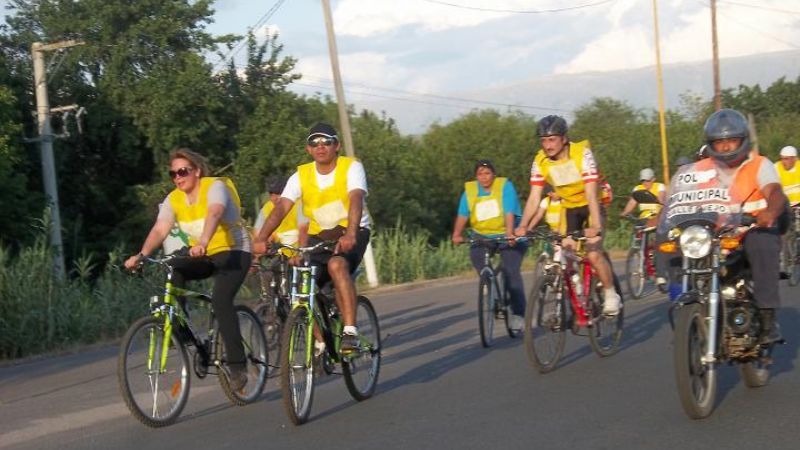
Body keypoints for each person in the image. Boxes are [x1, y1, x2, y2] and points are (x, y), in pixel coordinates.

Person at [124, 148, 252, 390]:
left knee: (221, 300)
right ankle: (182, 332)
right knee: (174, 268)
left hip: (234, 251)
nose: (178, 177)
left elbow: (215, 212)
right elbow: (160, 229)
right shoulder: (174, 199)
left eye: (183, 171)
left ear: (197, 171)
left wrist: (203, 241)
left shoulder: (214, 187)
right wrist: (141, 255)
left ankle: (238, 367)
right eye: (173, 174)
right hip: (203, 253)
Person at [254, 123, 371, 353]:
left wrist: (350, 233)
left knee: (338, 264)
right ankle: (320, 341)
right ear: (308, 149)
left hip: (352, 231)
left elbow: (356, 199)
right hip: (319, 236)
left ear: (336, 146)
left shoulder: (351, 167)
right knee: (300, 282)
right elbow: (281, 207)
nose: (320, 147)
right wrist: (261, 237)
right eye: (314, 143)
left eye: (326, 141)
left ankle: (350, 332)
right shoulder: (301, 175)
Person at [672, 109, 786, 343]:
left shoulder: (759, 164)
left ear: (743, 140)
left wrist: (770, 211)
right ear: (710, 144)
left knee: (762, 246)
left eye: (731, 140)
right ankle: (685, 319)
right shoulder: (700, 169)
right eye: (719, 142)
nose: (725, 147)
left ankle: (766, 320)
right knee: (675, 253)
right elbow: (680, 198)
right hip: (714, 234)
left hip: (751, 229)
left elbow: (774, 192)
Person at [514, 115, 621, 315]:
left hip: (591, 205)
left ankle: (610, 292)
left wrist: (596, 227)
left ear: (564, 139)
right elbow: (534, 197)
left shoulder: (582, 154)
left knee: (593, 252)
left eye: (552, 139)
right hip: (570, 208)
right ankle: (578, 291)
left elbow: (590, 192)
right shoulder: (540, 161)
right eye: (544, 140)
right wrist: (524, 225)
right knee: (567, 250)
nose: (547, 145)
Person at [452, 159, 528, 330]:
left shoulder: (504, 187)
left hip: (508, 235)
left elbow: (509, 211)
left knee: (511, 271)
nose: (484, 177)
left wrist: (510, 233)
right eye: (480, 174)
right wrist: (457, 234)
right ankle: (490, 287)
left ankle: (518, 314)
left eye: (487, 173)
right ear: (476, 176)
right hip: (483, 236)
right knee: (477, 257)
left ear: (493, 174)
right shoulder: (470, 191)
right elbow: (463, 214)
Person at [254, 176, 309, 256]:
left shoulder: (299, 204)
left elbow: (303, 230)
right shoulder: (266, 209)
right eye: (271, 194)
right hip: (278, 255)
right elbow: (257, 235)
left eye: (279, 193)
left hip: (298, 252)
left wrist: (300, 255)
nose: (274, 198)